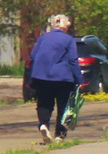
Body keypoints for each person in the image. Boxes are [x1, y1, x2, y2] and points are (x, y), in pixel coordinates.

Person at [28, 14, 82, 144]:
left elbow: (33, 56)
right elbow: (73, 60)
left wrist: (32, 77)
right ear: (64, 26)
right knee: (63, 106)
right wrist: (79, 79)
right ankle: (60, 135)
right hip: (63, 78)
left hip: (42, 77)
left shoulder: (42, 38)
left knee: (44, 104)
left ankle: (43, 125)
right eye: (68, 23)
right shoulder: (68, 40)